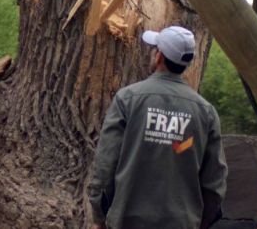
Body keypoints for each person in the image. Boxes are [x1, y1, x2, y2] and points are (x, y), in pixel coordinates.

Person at [88, 26, 228, 229]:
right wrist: (199, 222)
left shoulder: (128, 99)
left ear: (159, 55)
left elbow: (105, 164)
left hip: (127, 221)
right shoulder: (205, 112)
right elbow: (215, 182)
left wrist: (99, 216)